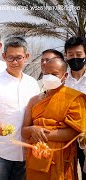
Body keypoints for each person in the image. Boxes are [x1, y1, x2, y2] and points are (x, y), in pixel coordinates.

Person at [0, 37, 40, 180]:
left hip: (26, 150)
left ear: (27, 57)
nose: (15, 62)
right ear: (4, 57)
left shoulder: (32, 83)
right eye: (10, 58)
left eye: (19, 58)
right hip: (0, 151)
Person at [22, 56, 86, 180]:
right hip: (37, 158)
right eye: (46, 74)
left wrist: (41, 133)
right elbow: (24, 131)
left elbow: (75, 132)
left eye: (55, 74)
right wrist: (32, 130)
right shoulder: (34, 100)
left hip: (62, 159)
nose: (50, 77)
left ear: (65, 76)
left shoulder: (74, 98)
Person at [64, 36, 86, 179]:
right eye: (71, 55)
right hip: (67, 137)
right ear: (65, 56)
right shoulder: (61, 79)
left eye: (79, 55)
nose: (74, 58)